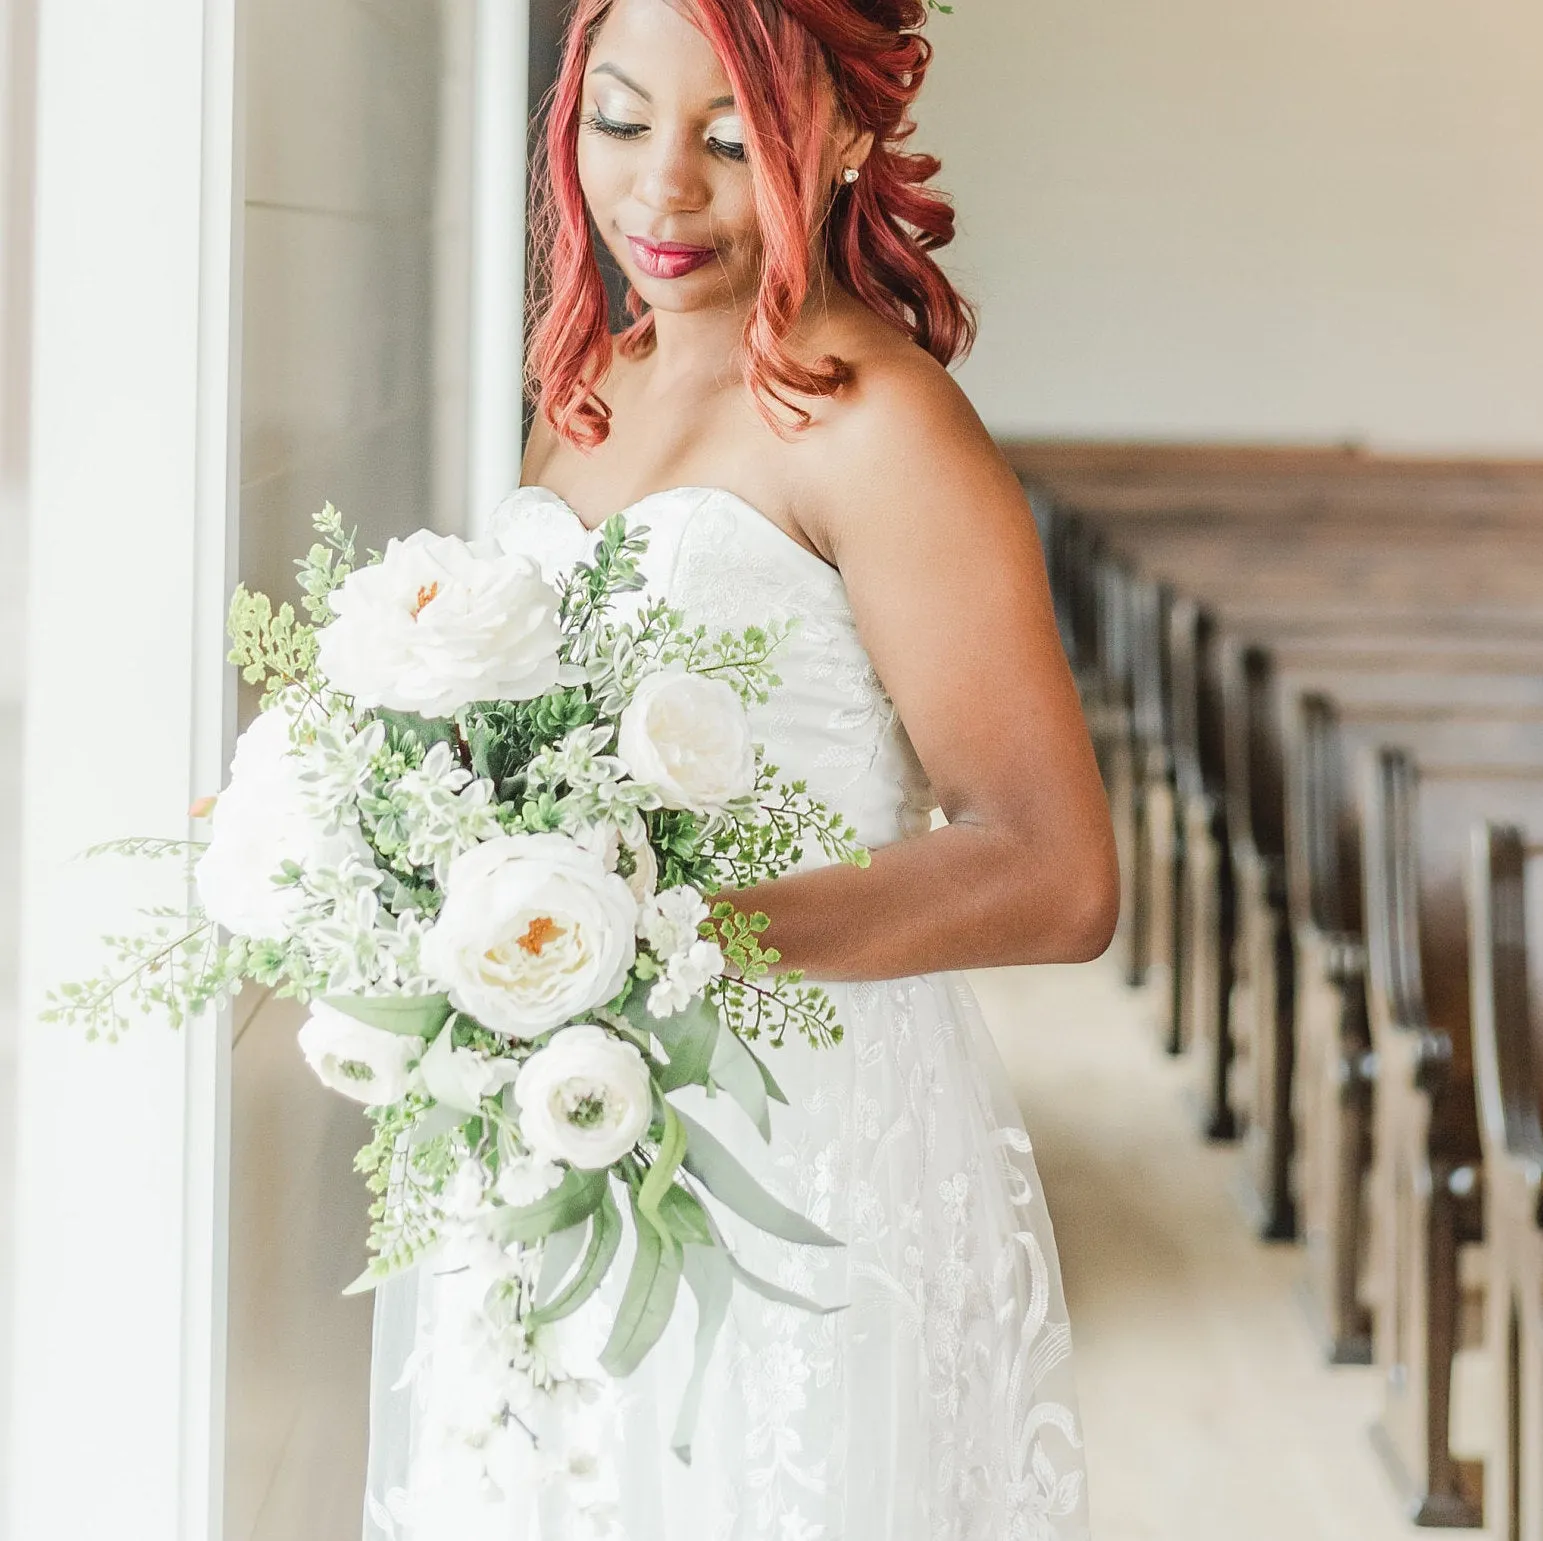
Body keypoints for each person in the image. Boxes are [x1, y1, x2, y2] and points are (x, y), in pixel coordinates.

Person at [364, 1, 1116, 1536]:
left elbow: (1054, 870)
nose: (660, 196)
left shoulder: (877, 422)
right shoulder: (590, 388)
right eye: (621, 124)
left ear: (842, 136)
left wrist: (664, 943)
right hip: (564, 1122)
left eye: (729, 143)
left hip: (799, 1142)